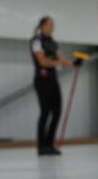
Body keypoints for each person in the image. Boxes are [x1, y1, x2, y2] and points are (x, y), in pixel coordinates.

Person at [31, 16, 78, 156]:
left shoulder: (53, 42)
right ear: (42, 26)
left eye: (53, 25)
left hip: (52, 79)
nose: (52, 27)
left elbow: (60, 59)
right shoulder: (36, 41)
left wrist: (74, 63)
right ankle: (42, 146)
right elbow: (42, 61)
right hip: (42, 80)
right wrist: (58, 63)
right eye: (50, 25)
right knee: (45, 112)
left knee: (57, 111)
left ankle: (50, 144)